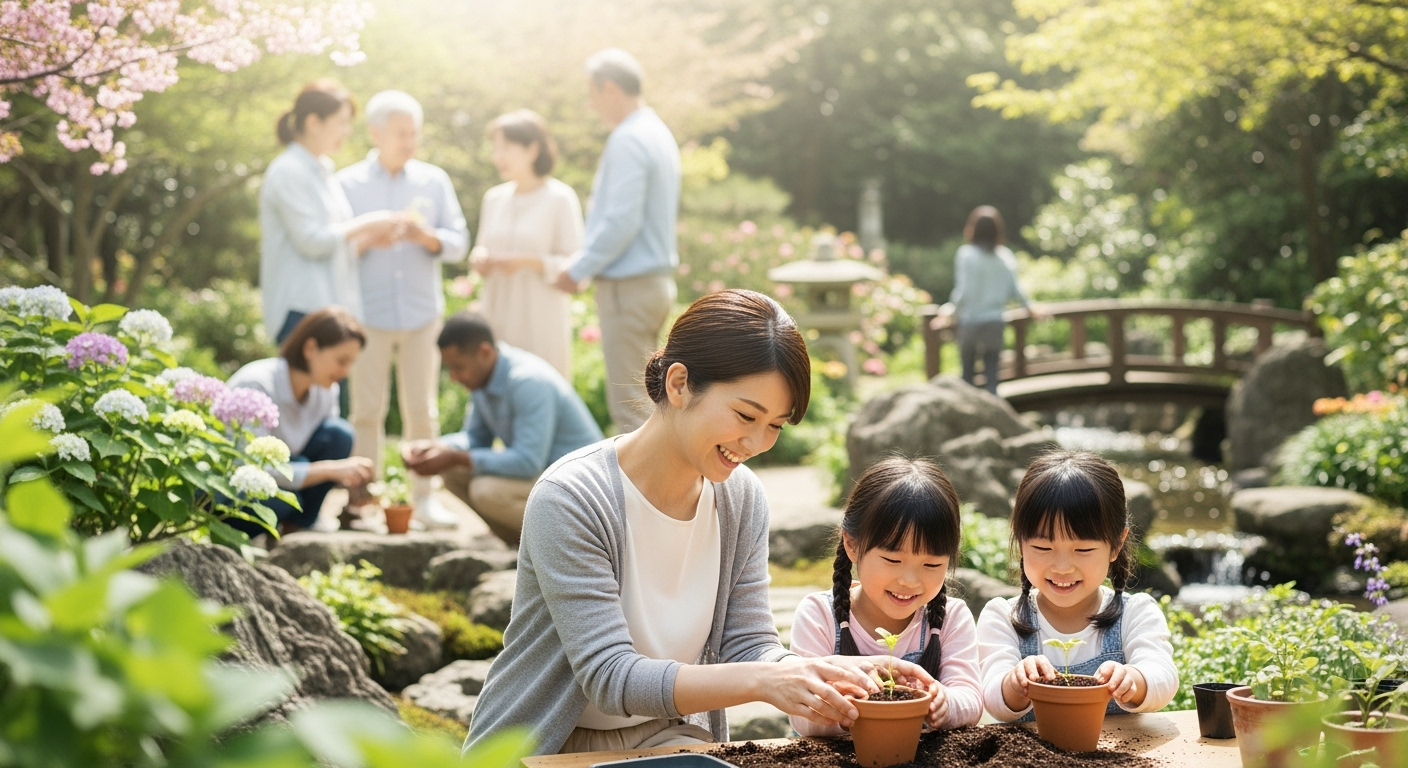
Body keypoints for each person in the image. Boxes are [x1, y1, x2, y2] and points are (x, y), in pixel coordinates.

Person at [462, 290, 938, 757]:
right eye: (745, 415)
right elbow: (609, 677)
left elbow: (749, 643)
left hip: (665, 740)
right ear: (679, 384)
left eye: (775, 424)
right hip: (543, 745)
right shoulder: (573, 498)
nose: (755, 442)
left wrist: (820, 672)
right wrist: (769, 681)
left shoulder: (741, 498)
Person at [338, 90, 469, 529]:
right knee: (366, 410)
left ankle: (424, 500)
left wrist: (425, 237)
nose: (410, 141)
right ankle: (362, 501)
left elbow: (457, 242)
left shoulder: (434, 181)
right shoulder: (346, 184)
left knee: (422, 408)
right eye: (401, 133)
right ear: (376, 133)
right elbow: (334, 248)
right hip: (365, 316)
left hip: (420, 314)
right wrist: (368, 241)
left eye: (414, 133)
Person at [976, 450, 1179, 722]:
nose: (1062, 567)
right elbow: (993, 697)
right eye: (1043, 547)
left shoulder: (1136, 614)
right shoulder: (1003, 618)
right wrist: (1015, 683)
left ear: (1116, 544)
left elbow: (1163, 676)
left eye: (1082, 549)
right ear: (1021, 541)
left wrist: (1133, 679)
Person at [788, 457, 983, 736]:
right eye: (893, 560)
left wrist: (944, 703)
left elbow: (971, 700)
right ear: (852, 544)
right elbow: (802, 718)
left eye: (931, 565)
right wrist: (846, 707)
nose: (909, 581)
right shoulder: (819, 615)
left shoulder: (951, 618)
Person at [554, 48, 681, 433]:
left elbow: (621, 220)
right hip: (653, 284)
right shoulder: (657, 132)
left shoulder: (628, 138)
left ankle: (647, 496)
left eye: (592, 94)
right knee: (653, 408)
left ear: (610, 89)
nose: (592, 106)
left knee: (633, 413)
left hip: (629, 288)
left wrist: (578, 268)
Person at [399, 313, 602, 545]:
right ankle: (518, 545)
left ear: (484, 352)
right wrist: (437, 447)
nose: (454, 377)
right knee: (452, 472)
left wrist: (456, 456)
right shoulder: (482, 378)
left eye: (458, 367)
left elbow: (528, 462)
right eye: (450, 369)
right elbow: (475, 438)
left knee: (486, 491)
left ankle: (571, 543)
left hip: (580, 490)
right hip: (548, 477)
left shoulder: (528, 382)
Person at [259, 79, 399, 344]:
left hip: (330, 310)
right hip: (301, 312)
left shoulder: (324, 171)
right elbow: (313, 243)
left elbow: (334, 245)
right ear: (314, 123)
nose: (347, 131)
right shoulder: (288, 171)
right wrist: (369, 223)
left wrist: (367, 243)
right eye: (342, 122)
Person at [227, 308, 375, 533]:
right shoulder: (257, 385)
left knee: (340, 434)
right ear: (310, 348)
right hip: (235, 483)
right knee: (281, 501)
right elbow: (250, 468)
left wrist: (349, 480)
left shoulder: (326, 391)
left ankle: (298, 526)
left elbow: (328, 449)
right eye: (341, 361)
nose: (345, 372)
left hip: (287, 470)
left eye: (350, 363)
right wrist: (331, 470)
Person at [471, 109, 583, 380]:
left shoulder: (560, 198)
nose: (498, 157)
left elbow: (578, 265)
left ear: (533, 150)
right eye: (495, 149)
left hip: (540, 318)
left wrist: (529, 262)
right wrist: (480, 259)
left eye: (506, 148)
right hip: (497, 313)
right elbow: (480, 248)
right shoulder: (494, 198)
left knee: (540, 390)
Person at [947, 205, 1034, 395]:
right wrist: (1030, 308)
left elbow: (963, 292)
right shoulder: (1005, 257)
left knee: (968, 377)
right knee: (992, 377)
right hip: (995, 322)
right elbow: (1016, 291)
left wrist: (950, 313)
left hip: (970, 322)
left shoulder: (966, 255)